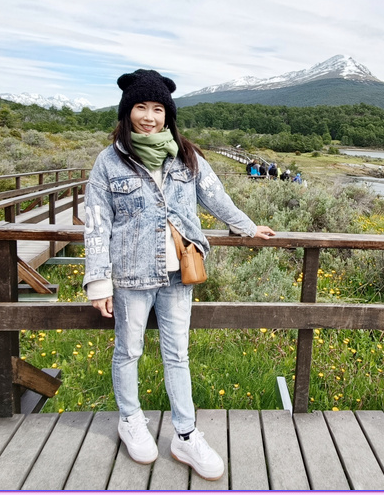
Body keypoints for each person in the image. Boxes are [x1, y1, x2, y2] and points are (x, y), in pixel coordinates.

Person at [83, 69, 275, 481]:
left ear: (167, 114)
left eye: (157, 109)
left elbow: (215, 196)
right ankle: (130, 420)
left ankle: (185, 435)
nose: (149, 116)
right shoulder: (109, 161)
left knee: (178, 355)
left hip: (178, 275)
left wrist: (246, 226)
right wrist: (98, 281)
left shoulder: (187, 155)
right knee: (128, 351)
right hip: (130, 274)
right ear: (127, 111)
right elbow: (96, 222)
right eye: (141, 107)